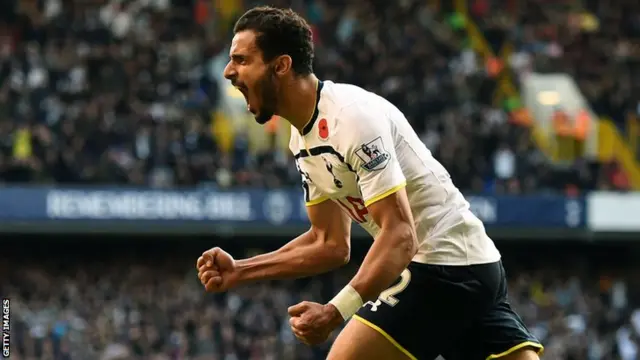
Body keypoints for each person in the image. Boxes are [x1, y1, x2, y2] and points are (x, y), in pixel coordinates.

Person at [196, 6, 543, 360]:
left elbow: (401, 234)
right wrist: (242, 270)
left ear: (281, 65)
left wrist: (334, 311)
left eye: (241, 59)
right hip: (472, 264)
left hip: (443, 265)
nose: (228, 72)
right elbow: (329, 242)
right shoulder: (302, 139)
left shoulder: (351, 118)